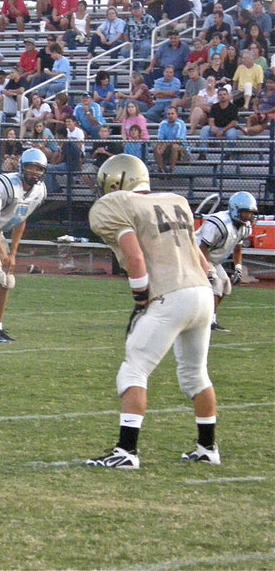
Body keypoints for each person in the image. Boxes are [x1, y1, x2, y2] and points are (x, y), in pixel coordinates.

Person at [87, 154, 219, 469]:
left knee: (134, 369)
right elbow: (202, 261)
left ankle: (126, 452)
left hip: (169, 294)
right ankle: (207, 448)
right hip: (201, 292)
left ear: (117, 180)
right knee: (195, 373)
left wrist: (140, 300)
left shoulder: (117, 206)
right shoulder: (176, 200)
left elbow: (135, 259)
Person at [0, 149, 47, 343]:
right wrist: (2, 253)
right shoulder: (5, 185)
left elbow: (21, 220)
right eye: (31, 167)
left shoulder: (39, 191)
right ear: (22, 167)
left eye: (38, 168)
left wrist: (13, 253)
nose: (34, 172)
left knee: (8, 280)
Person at [196, 191, 257, 332]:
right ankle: (207, 321)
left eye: (250, 213)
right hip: (197, 253)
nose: (248, 217)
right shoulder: (219, 223)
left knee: (226, 285)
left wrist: (238, 268)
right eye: (245, 213)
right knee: (215, 283)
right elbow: (202, 246)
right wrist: (206, 269)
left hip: (213, 258)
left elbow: (237, 249)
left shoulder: (244, 227)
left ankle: (210, 318)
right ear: (235, 210)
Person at [154, 106, 189, 173]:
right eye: (168, 114)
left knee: (175, 147)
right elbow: (160, 138)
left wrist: (165, 145)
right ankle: (162, 170)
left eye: (172, 113)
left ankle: (171, 170)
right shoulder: (163, 124)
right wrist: (159, 146)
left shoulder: (180, 123)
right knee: (156, 148)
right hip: (166, 148)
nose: (170, 115)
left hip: (182, 149)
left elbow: (179, 140)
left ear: (177, 114)